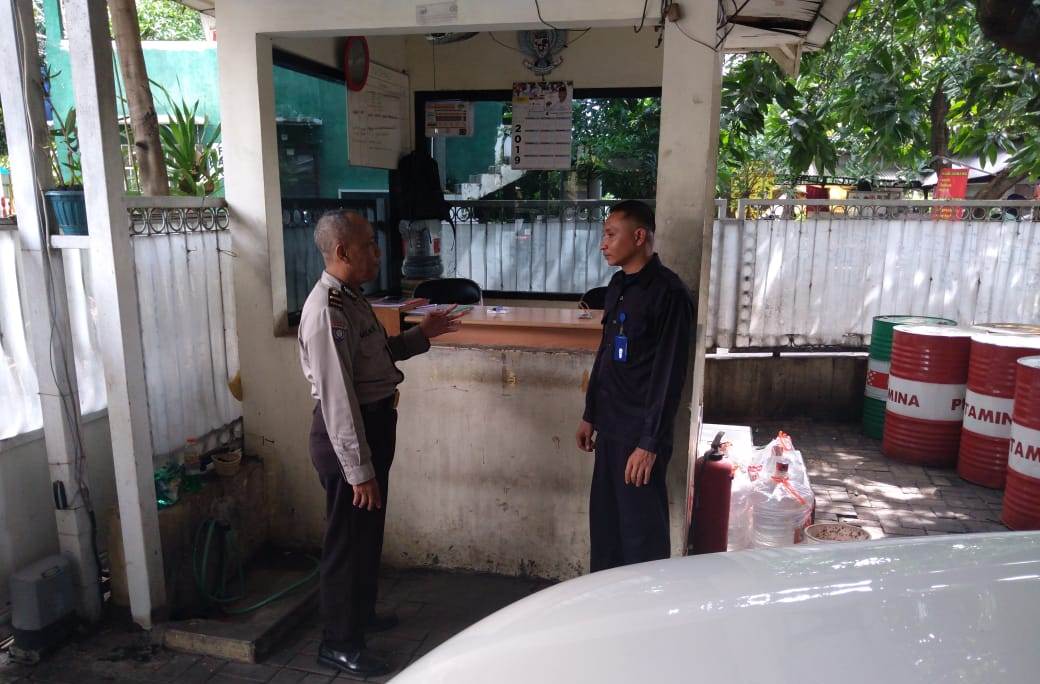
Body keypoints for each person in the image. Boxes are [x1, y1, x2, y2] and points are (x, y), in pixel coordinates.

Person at [298, 210, 462, 676]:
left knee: (366, 534)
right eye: (368, 244)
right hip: (348, 438)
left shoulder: (351, 298)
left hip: (372, 428)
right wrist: (359, 471)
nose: (378, 251)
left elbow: (377, 357)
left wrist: (420, 335)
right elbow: (338, 399)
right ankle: (338, 642)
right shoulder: (326, 310)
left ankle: (361, 615)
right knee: (347, 542)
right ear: (342, 251)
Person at [575, 200, 694, 572]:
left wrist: (649, 444)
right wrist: (590, 414)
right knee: (607, 531)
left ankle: (647, 605)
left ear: (639, 236)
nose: (603, 244)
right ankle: (607, 604)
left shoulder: (669, 294)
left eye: (611, 235)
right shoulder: (618, 285)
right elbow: (606, 354)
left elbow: (669, 375)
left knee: (642, 537)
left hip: (639, 435)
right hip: (609, 427)